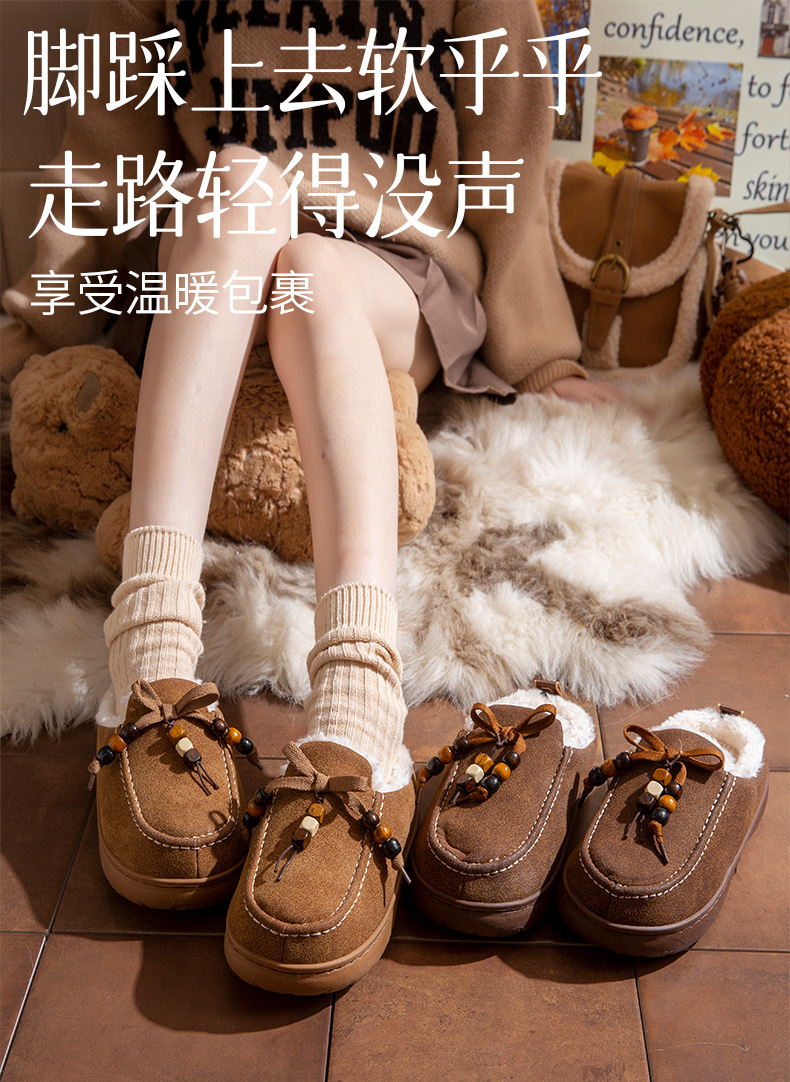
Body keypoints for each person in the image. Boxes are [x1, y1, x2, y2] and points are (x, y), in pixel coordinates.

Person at [2, 0, 622, 992]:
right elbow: (107, 144)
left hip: (388, 267)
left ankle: (359, 697)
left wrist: (543, 354)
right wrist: (52, 318)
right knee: (241, 181)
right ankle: (151, 648)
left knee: (315, 271)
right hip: (214, 251)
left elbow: (510, 140)